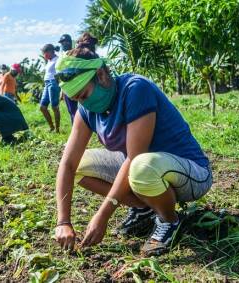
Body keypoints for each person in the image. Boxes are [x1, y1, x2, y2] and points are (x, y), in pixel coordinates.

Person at [53, 33, 212, 256]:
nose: (84, 102)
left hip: (191, 172)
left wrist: (103, 214)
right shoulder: (87, 110)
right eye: (78, 99)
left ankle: (169, 220)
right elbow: (68, 165)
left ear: (101, 75)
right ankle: (145, 208)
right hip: (146, 169)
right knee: (82, 165)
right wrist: (63, 221)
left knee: (141, 167)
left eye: (85, 94)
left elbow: (134, 157)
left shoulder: (135, 89)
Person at [40, 44, 61, 133]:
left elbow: (59, 72)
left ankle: (57, 129)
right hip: (47, 83)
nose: (44, 55)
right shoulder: (49, 61)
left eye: (44, 53)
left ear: (50, 52)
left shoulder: (57, 59)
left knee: (54, 107)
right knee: (42, 107)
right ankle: (51, 127)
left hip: (53, 83)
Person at [58, 34, 78, 124]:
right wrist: (62, 90)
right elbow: (62, 73)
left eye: (65, 42)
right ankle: (76, 130)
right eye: (62, 43)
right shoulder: (63, 56)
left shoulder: (77, 52)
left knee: (80, 111)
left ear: (70, 42)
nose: (63, 44)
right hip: (67, 87)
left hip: (78, 84)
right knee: (72, 111)